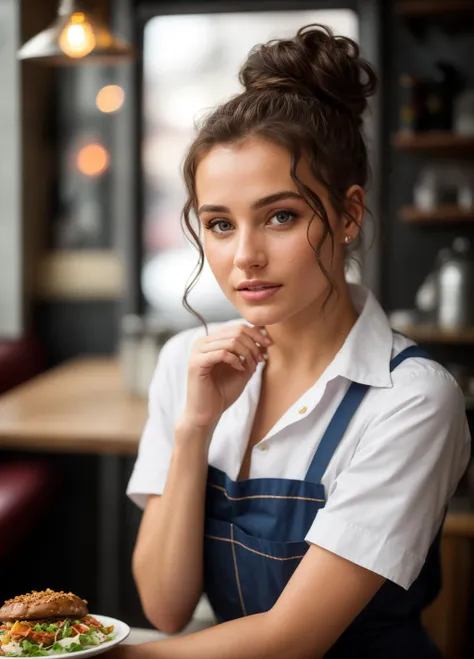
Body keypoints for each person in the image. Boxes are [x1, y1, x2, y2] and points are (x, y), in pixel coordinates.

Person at [125, 24, 470, 658]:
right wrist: (194, 428)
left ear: (348, 215)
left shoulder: (413, 400)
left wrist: (92, 655)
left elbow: (291, 643)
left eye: (281, 216)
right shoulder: (187, 365)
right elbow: (166, 607)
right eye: (220, 225)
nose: (244, 257)